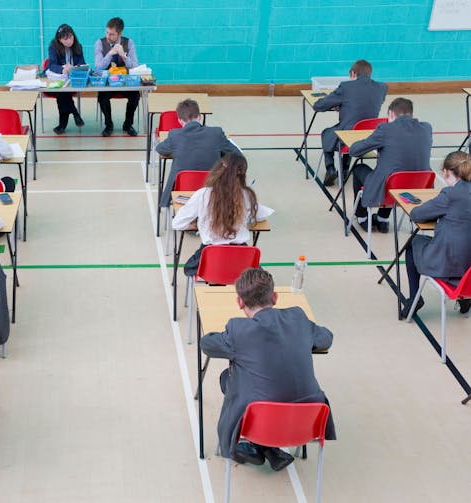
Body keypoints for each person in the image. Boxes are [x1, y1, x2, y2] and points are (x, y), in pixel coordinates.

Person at [200, 267, 335, 470]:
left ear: (239, 302)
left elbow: (207, 344)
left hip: (260, 421)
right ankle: (270, 450)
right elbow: (326, 338)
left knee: (227, 378)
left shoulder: (239, 330)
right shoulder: (297, 318)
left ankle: (258, 446)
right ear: (275, 297)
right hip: (306, 421)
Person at [172, 153, 273, 277]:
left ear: (218, 170)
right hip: (241, 260)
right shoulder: (246, 195)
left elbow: (177, 224)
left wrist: (199, 222)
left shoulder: (203, 194)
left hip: (211, 258)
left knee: (191, 268)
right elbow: (261, 215)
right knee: (258, 276)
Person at [403, 151, 471, 319]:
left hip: (452, 264)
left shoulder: (450, 195)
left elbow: (417, 215)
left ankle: (414, 298)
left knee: (414, 242)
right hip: (469, 268)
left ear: (446, 172)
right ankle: (465, 297)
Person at [349, 97, 432, 233]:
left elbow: (354, 151)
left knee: (359, 169)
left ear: (391, 113)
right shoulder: (426, 128)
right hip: (417, 189)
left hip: (389, 190)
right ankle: (383, 219)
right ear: (411, 114)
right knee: (396, 171)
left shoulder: (385, 129)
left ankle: (362, 217)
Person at [313, 59, 387, 186]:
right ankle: (345, 168)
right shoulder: (382, 88)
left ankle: (330, 168)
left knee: (327, 133)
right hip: (368, 137)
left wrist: (340, 104)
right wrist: (345, 106)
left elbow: (320, 106)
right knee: (352, 128)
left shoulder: (346, 87)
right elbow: (365, 104)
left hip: (347, 136)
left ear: (353, 73)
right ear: (370, 73)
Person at [157, 99, 241, 208]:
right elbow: (237, 154)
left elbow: (160, 149)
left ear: (179, 120)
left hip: (183, 193)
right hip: (212, 190)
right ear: (200, 116)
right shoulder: (216, 133)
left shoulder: (174, 135)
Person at [94, 17, 140, 137]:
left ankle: (128, 124)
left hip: (124, 82)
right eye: (107, 33)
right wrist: (109, 55)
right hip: (108, 83)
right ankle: (109, 125)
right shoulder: (99, 43)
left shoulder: (128, 42)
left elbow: (135, 66)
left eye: (112, 34)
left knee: (135, 95)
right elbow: (98, 67)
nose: (108, 36)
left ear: (120, 34)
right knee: (102, 97)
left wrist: (123, 55)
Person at [47, 24, 86, 135]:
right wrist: (62, 69)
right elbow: (52, 65)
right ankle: (74, 113)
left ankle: (62, 125)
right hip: (60, 77)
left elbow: (82, 63)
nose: (69, 41)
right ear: (59, 40)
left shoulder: (78, 46)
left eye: (71, 37)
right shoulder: (53, 47)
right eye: (65, 39)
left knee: (62, 96)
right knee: (62, 93)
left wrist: (76, 69)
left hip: (74, 78)